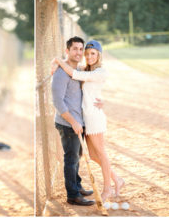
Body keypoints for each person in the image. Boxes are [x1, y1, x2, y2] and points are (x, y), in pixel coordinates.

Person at [51, 40, 125, 202]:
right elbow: (77, 75)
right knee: (93, 156)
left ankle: (108, 189)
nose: (89, 56)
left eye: (93, 53)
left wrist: (57, 61)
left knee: (102, 154)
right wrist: (57, 63)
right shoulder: (87, 69)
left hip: (95, 119)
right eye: (87, 53)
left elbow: (74, 74)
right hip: (87, 119)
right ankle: (117, 179)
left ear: (99, 55)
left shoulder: (99, 72)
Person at [51, 36, 103, 206]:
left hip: (77, 123)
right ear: (67, 51)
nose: (79, 52)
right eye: (75, 49)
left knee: (76, 157)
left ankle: (77, 185)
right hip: (68, 123)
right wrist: (73, 121)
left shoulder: (77, 69)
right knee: (71, 159)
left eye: (81, 49)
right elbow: (58, 102)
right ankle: (73, 195)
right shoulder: (60, 73)